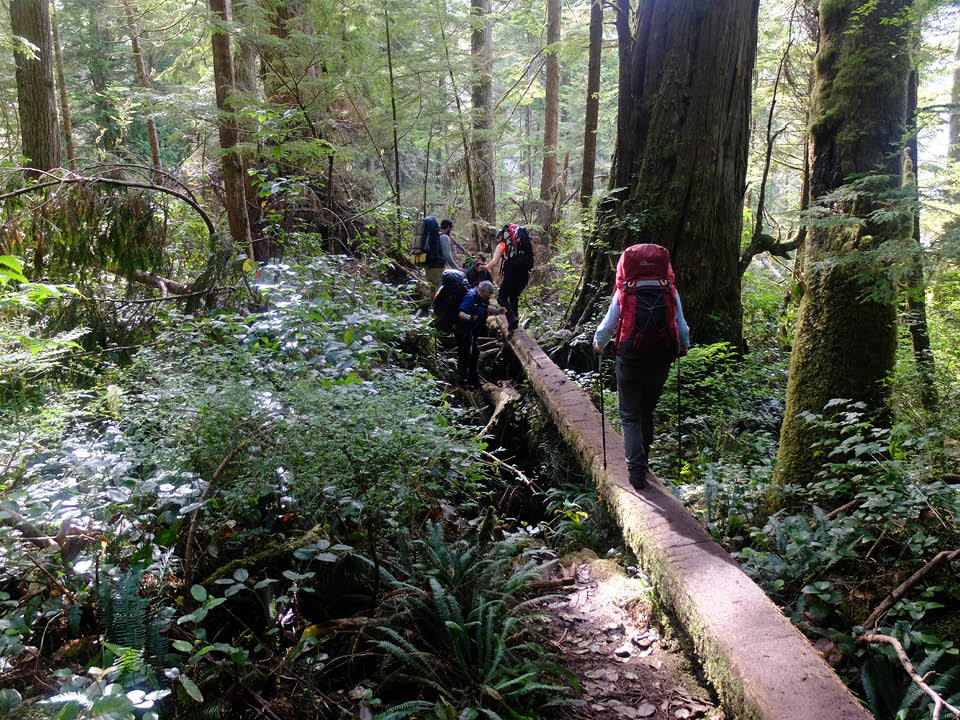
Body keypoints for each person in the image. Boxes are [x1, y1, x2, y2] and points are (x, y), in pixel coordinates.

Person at [593, 244, 690, 491]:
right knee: (647, 412)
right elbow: (682, 327)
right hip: (661, 359)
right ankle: (643, 463)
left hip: (630, 359)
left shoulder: (625, 290)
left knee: (629, 415)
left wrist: (599, 343)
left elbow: (608, 325)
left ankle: (636, 473)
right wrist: (683, 347)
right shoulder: (669, 290)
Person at [480, 224, 533, 331]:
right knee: (514, 297)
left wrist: (484, 267)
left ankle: (512, 319)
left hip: (512, 273)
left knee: (502, 298)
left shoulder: (503, 245)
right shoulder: (520, 247)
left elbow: (494, 262)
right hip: (524, 274)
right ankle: (515, 320)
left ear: (502, 235)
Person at [454, 280, 505, 386]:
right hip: (463, 330)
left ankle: (473, 378)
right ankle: (462, 378)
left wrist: (497, 311)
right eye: (487, 295)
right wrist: (471, 317)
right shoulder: (470, 297)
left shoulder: (479, 297)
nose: (488, 297)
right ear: (480, 291)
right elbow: (461, 314)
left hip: (471, 330)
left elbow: (484, 306)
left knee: (474, 353)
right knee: (464, 353)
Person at [426, 219, 460, 292]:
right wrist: (456, 268)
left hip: (428, 268)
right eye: (450, 228)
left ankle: (432, 303)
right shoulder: (444, 237)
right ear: (448, 228)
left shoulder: (433, 236)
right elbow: (447, 255)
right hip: (438, 269)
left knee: (431, 293)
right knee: (439, 293)